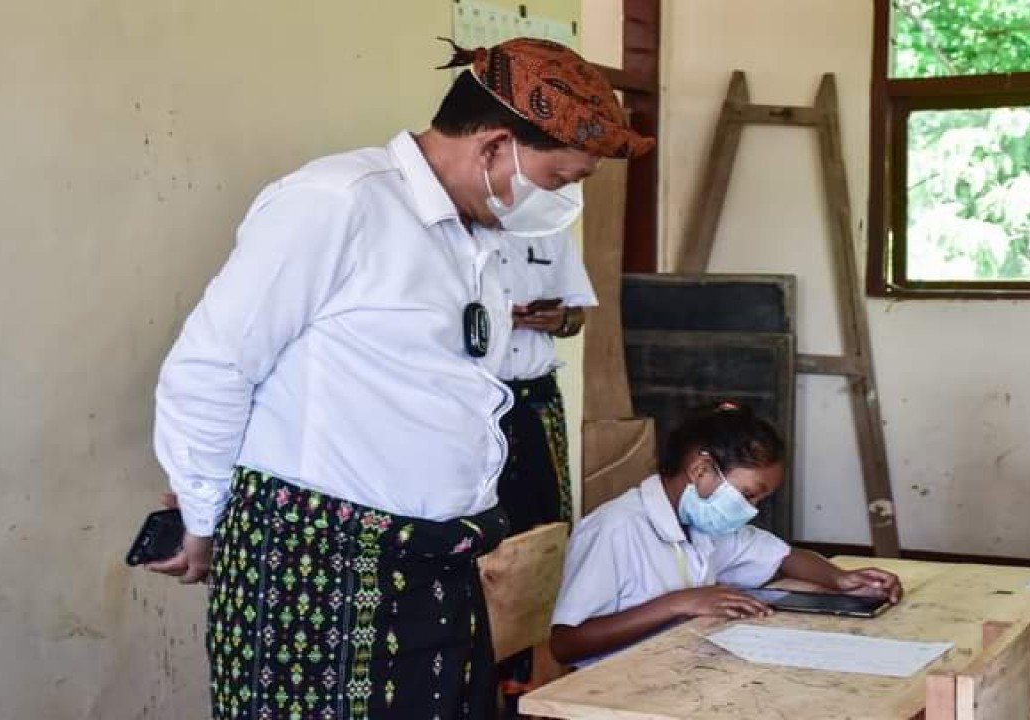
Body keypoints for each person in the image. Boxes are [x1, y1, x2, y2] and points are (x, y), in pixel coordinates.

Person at [146, 37, 653, 720]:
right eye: (561, 180)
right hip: (318, 569)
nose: (563, 200)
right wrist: (204, 519)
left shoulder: (477, 235)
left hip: (439, 564)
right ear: (494, 146)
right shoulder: (337, 204)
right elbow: (211, 368)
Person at [548, 402, 903, 667]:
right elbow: (566, 644)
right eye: (749, 494)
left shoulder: (702, 524)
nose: (753, 509)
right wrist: (680, 602)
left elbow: (783, 556)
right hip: (616, 689)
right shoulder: (616, 529)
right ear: (702, 470)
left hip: (679, 669)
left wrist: (840, 580)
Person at [494, 230, 595, 713]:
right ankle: (483, 671)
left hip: (536, 397)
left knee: (546, 528)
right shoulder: (459, 226)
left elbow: (577, 316)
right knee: (483, 530)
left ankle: (531, 672)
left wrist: (557, 319)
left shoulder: (549, 226)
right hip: (476, 398)